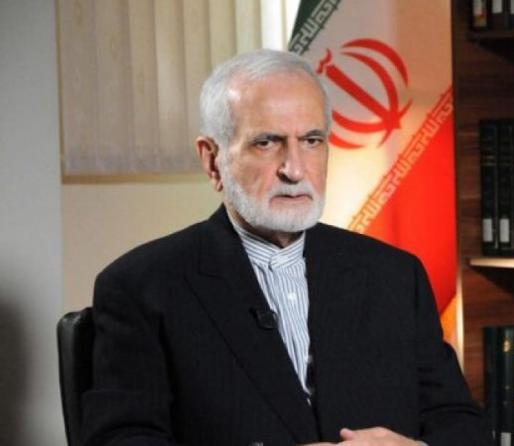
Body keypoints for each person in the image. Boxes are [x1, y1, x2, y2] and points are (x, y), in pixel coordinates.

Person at [81, 49, 489, 446]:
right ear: (212, 160)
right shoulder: (142, 287)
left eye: (311, 140)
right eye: (266, 143)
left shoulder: (395, 275)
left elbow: (462, 425)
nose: (294, 169)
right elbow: (121, 438)